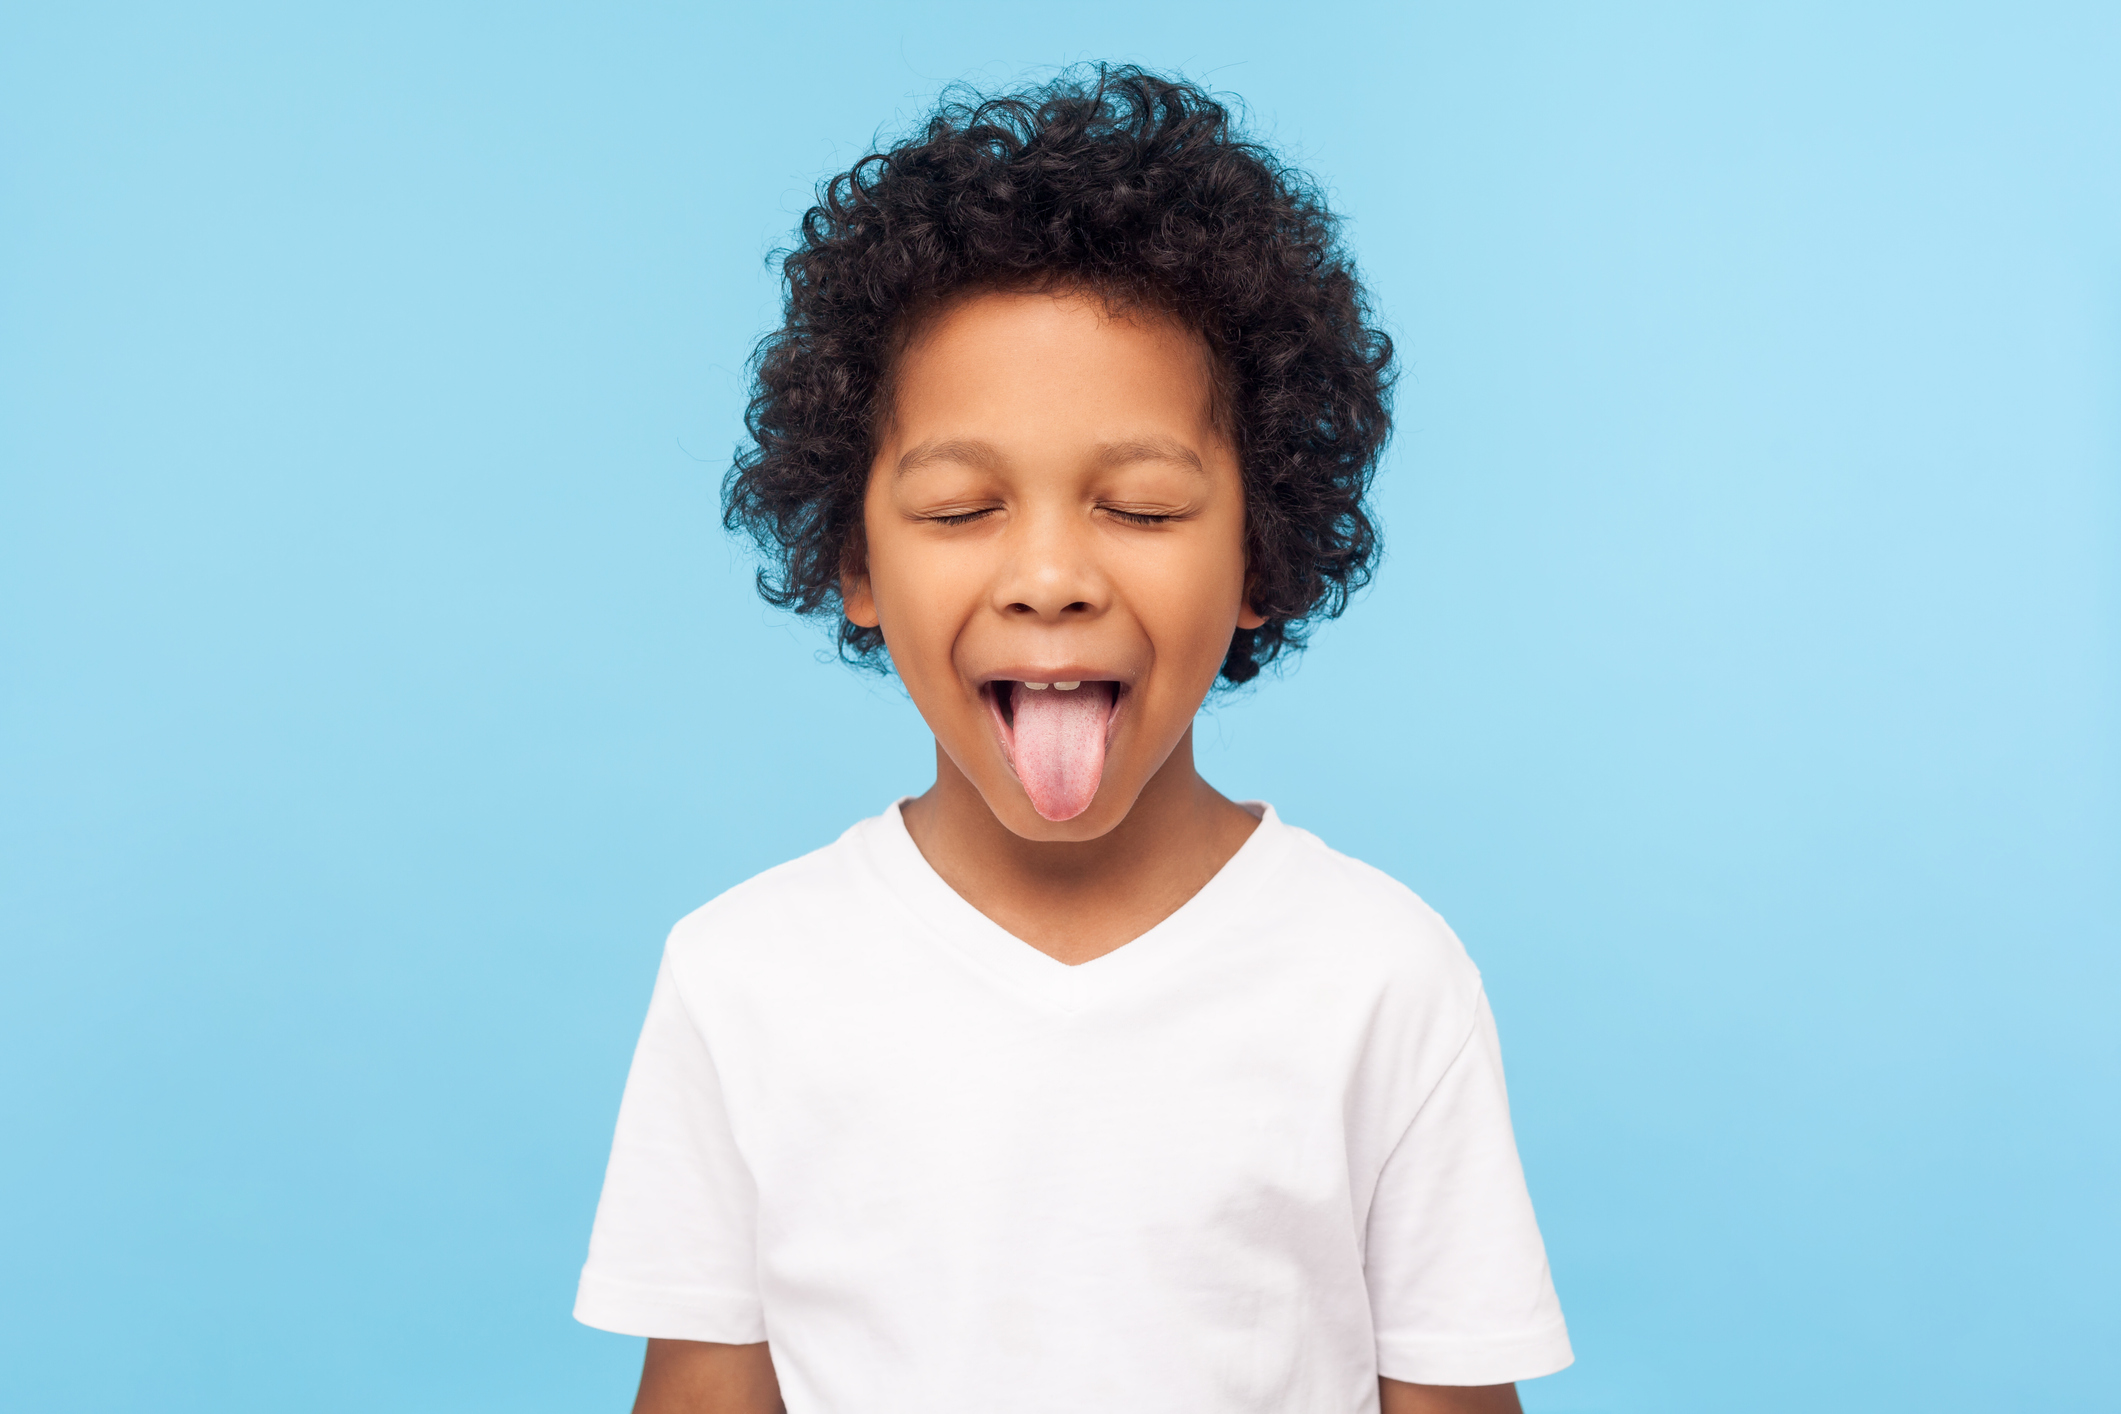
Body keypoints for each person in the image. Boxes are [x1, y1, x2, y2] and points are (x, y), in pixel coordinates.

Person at [575, 66, 1571, 1414]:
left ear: (1258, 551)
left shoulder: (1381, 976)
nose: (1051, 574)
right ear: (853, 560)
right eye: (961, 505)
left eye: (1144, 508)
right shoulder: (739, 979)